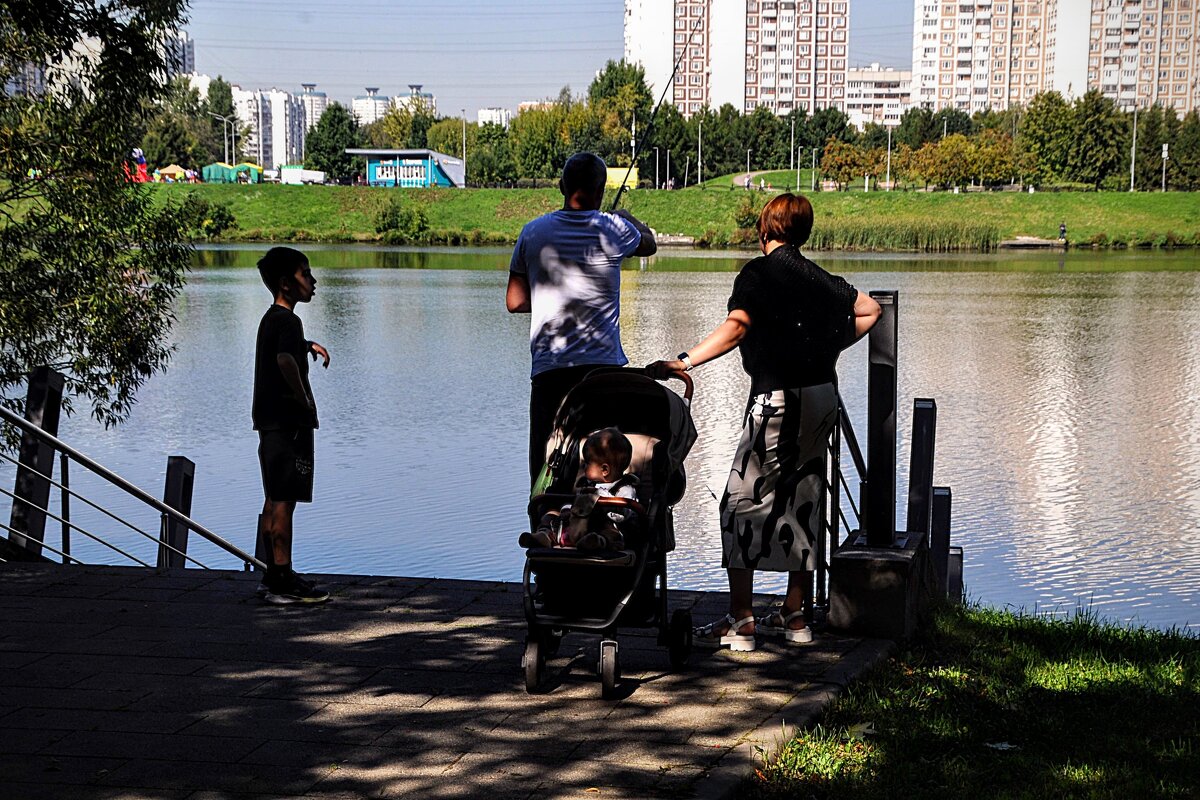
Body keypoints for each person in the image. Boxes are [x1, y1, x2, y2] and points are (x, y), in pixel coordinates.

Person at [649, 193, 881, 651]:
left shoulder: (758, 274)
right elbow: (871, 310)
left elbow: (737, 327)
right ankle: (796, 618)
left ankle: (742, 621)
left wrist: (685, 360)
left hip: (776, 399)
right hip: (821, 397)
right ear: (803, 232)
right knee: (804, 499)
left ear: (764, 229)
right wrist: (825, 346)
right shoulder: (820, 279)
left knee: (738, 505)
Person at [506, 152, 657, 485]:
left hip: (550, 373)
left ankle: (545, 530)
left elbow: (515, 301)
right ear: (601, 191)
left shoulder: (532, 232)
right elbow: (649, 245)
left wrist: (553, 298)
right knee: (601, 472)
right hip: (602, 374)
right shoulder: (614, 228)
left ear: (561, 186)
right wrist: (627, 218)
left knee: (546, 472)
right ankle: (599, 532)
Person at [252, 246, 332, 605]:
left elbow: (284, 347)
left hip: (268, 422)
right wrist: (304, 399)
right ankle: (283, 578)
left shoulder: (274, 319)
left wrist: (307, 346)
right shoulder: (289, 321)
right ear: (286, 283)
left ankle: (273, 573)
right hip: (288, 422)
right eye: (305, 274)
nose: (312, 281)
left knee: (273, 497)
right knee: (285, 501)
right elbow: (284, 359)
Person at [519, 427, 638, 550]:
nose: (584, 467)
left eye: (587, 464)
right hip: (574, 527)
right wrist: (567, 509)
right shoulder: (587, 484)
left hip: (601, 529)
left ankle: (596, 542)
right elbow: (576, 504)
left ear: (604, 470)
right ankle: (544, 535)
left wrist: (601, 500)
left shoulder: (625, 489)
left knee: (610, 531)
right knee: (551, 514)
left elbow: (625, 515)